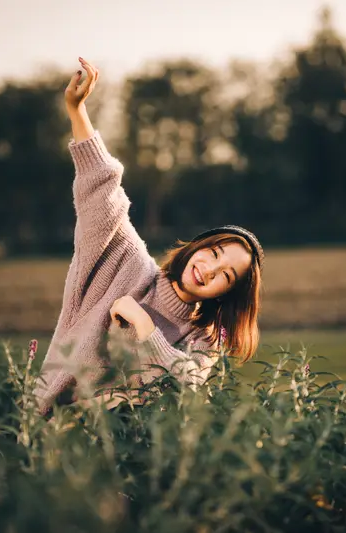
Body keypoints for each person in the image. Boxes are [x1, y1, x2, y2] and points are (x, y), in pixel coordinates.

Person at [32, 58, 264, 416]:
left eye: (227, 277)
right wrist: (77, 111)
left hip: (134, 454)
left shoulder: (205, 337)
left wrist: (144, 323)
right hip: (50, 431)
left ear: (227, 293)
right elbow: (103, 196)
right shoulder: (129, 264)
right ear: (199, 245)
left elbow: (187, 386)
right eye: (215, 253)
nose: (210, 270)